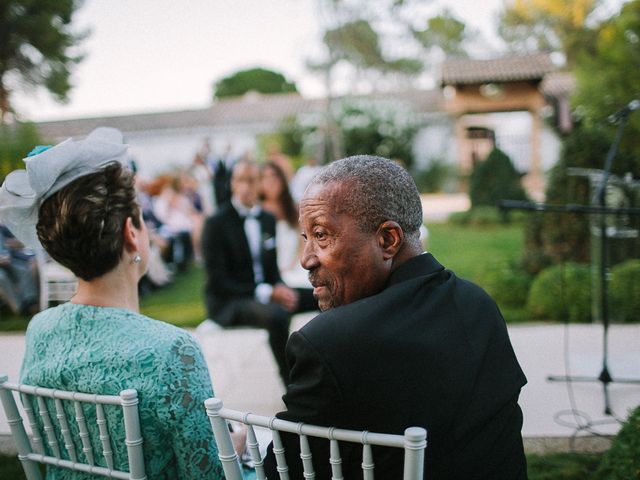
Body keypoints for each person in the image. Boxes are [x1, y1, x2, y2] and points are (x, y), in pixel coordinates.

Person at [263, 155, 528, 479]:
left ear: (388, 239)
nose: (306, 259)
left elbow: (283, 470)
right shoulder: (478, 304)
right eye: (306, 238)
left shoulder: (328, 342)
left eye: (321, 235)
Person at [0, 128, 233, 479]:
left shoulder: (40, 329)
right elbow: (208, 474)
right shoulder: (173, 350)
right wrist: (236, 448)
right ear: (131, 232)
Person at [201, 160, 317, 384]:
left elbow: (271, 271)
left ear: (259, 185)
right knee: (277, 315)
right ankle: (293, 385)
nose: (246, 186)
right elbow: (218, 281)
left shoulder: (267, 219)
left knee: (322, 295)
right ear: (232, 184)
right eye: (240, 180)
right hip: (230, 300)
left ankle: (324, 367)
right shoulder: (215, 223)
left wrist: (281, 287)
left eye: (251, 180)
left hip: (264, 292)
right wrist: (268, 292)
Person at [259, 161, 311, 287]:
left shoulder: (293, 209)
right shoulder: (258, 212)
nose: (271, 181)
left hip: (295, 265)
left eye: (274, 176)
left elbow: (303, 243)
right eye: (265, 177)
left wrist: (294, 265)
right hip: (269, 271)